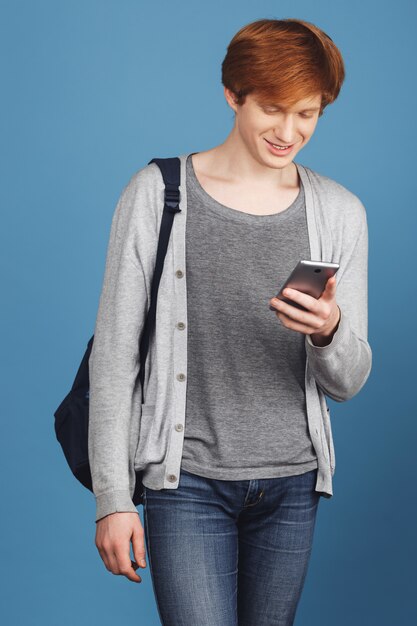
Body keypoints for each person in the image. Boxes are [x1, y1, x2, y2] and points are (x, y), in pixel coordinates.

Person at [89, 17, 372, 626]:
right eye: (273, 108)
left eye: (308, 113)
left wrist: (328, 331)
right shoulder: (157, 195)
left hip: (293, 484)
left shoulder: (340, 213)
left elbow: (348, 382)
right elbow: (115, 359)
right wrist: (112, 499)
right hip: (184, 478)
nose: (289, 131)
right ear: (233, 94)